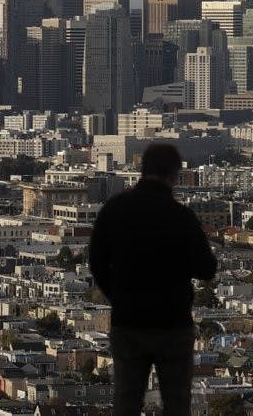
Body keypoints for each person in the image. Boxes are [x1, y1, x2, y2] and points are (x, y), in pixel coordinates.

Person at [89, 142, 217, 416]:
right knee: (176, 402)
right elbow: (207, 268)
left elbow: (96, 262)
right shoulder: (181, 217)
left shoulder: (115, 210)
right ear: (174, 174)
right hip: (172, 322)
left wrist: (119, 296)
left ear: (141, 170)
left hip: (129, 321)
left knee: (126, 399)